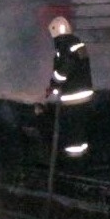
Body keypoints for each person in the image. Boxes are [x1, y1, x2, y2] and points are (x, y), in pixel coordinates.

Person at [45, 15, 95, 159]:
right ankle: (82, 159)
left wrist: (52, 85)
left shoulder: (65, 46)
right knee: (80, 132)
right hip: (84, 97)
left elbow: (62, 73)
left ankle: (72, 162)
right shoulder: (77, 44)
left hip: (72, 98)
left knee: (72, 133)